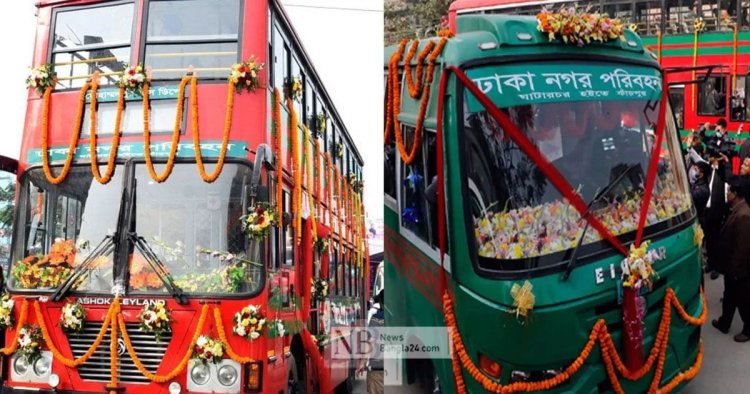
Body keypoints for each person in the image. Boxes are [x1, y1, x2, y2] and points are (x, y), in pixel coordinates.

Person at [712, 178, 750, 342]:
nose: (726, 194)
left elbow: (742, 248)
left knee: (743, 300)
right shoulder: (736, 210)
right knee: (729, 297)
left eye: (728, 192)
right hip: (732, 268)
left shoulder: (743, 216)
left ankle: (748, 330)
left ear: (735, 194)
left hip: (739, 269)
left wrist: (734, 270)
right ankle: (724, 322)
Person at [358, 290, 384, 394]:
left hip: (378, 369)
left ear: (381, 302)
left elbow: (370, 343)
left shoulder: (377, 319)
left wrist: (362, 362)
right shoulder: (401, 319)